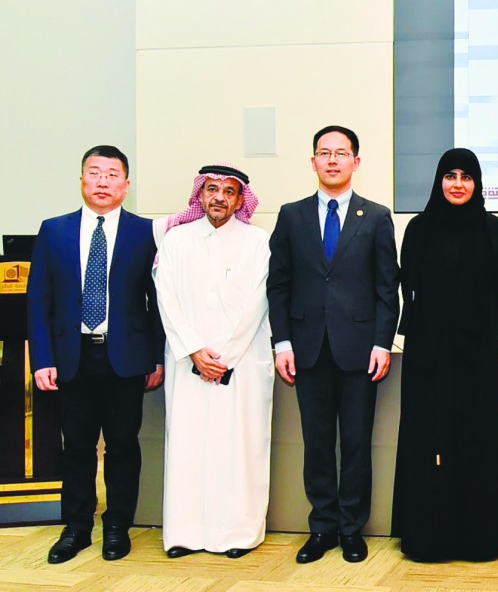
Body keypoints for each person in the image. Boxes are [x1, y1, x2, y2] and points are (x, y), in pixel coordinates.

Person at [267, 125, 401, 564]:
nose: (332, 160)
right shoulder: (291, 215)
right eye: (323, 152)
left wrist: (383, 343)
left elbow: (387, 288)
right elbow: (279, 284)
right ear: (312, 162)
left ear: (356, 162)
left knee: (358, 443)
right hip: (306, 348)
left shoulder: (377, 216)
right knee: (317, 442)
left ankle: (351, 529)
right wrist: (281, 341)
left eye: (341, 153)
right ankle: (321, 527)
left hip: (361, 350)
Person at [28, 145, 165, 564]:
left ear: (126, 184)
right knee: (77, 446)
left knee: (124, 444)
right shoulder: (55, 230)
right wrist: (42, 359)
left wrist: (156, 357)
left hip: (124, 358)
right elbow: (39, 300)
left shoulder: (146, 233)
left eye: (112, 174)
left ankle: (118, 526)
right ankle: (76, 528)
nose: (102, 181)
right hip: (72, 356)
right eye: (94, 173)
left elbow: (156, 301)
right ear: (82, 179)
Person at [391, 148, 498, 561]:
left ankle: (482, 537)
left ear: (478, 183)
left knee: (479, 444)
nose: (458, 184)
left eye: (466, 176)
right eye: (450, 175)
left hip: (479, 358)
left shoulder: (497, 231)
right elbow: (409, 286)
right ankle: (429, 537)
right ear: (439, 181)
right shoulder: (418, 230)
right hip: (429, 356)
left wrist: (479, 339)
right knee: (429, 443)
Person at [153, 164, 272, 559]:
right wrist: (194, 351)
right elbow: (166, 298)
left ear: (241, 200)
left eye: (229, 191)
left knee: (238, 450)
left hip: (240, 368)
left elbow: (258, 302)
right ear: (200, 195)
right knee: (189, 447)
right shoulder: (177, 240)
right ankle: (185, 533)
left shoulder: (257, 241)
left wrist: (225, 357)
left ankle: (237, 533)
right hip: (189, 365)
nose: (219, 197)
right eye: (212, 189)